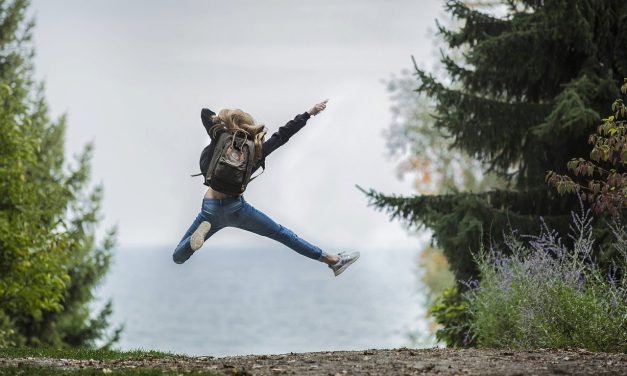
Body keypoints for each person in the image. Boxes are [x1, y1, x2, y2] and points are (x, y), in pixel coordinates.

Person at [172, 99, 360, 277]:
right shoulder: (256, 150)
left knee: (178, 257)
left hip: (210, 209)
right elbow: (283, 135)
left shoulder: (221, 137)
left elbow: (205, 113)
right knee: (283, 234)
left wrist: (223, 124)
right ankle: (333, 261)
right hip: (237, 209)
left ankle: (193, 242)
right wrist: (308, 114)